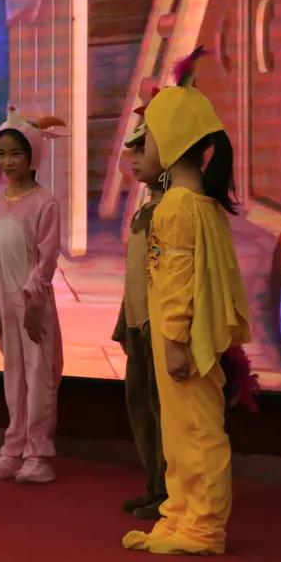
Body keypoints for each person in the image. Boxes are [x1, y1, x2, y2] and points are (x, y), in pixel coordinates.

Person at [122, 48, 252, 555]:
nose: (143, 145)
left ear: (173, 141)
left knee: (196, 433)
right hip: (184, 342)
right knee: (183, 433)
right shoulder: (199, 204)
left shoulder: (176, 206)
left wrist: (173, 340)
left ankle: (202, 525)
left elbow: (176, 281)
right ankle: (181, 512)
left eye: (150, 136)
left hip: (183, 344)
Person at [0, 108, 66, 484]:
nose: (7, 161)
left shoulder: (45, 203)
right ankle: (12, 450)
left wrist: (33, 301)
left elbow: (46, 258)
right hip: (3, 307)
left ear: (32, 156)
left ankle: (38, 453)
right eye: (2, 154)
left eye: (15, 153)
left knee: (38, 376)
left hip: (32, 307)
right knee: (13, 376)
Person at [113, 95, 168, 519]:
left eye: (141, 148)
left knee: (163, 410)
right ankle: (154, 482)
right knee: (141, 406)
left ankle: (170, 490)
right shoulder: (147, 206)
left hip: (160, 330)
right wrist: (125, 320)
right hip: (137, 326)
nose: (132, 157)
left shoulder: (174, 211)